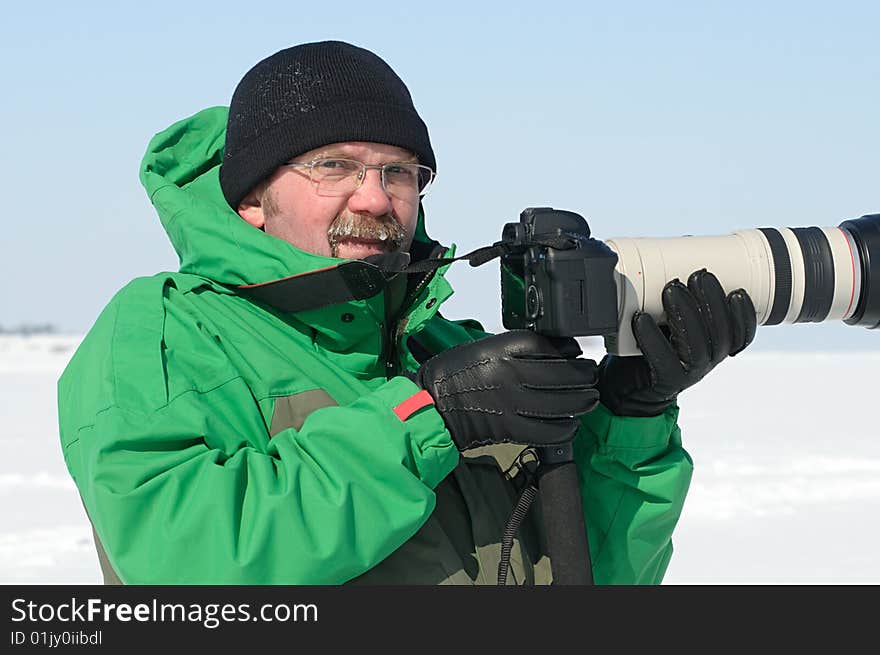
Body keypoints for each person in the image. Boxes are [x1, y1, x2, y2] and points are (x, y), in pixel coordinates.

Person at [57, 40, 756, 585]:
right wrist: (428, 417)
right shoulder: (165, 329)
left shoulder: (448, 347)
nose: (374, 197)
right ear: (251, 197)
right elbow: (179, 558)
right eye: (333, 165)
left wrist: (628, 424)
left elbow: (591, 582)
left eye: (399, 172)